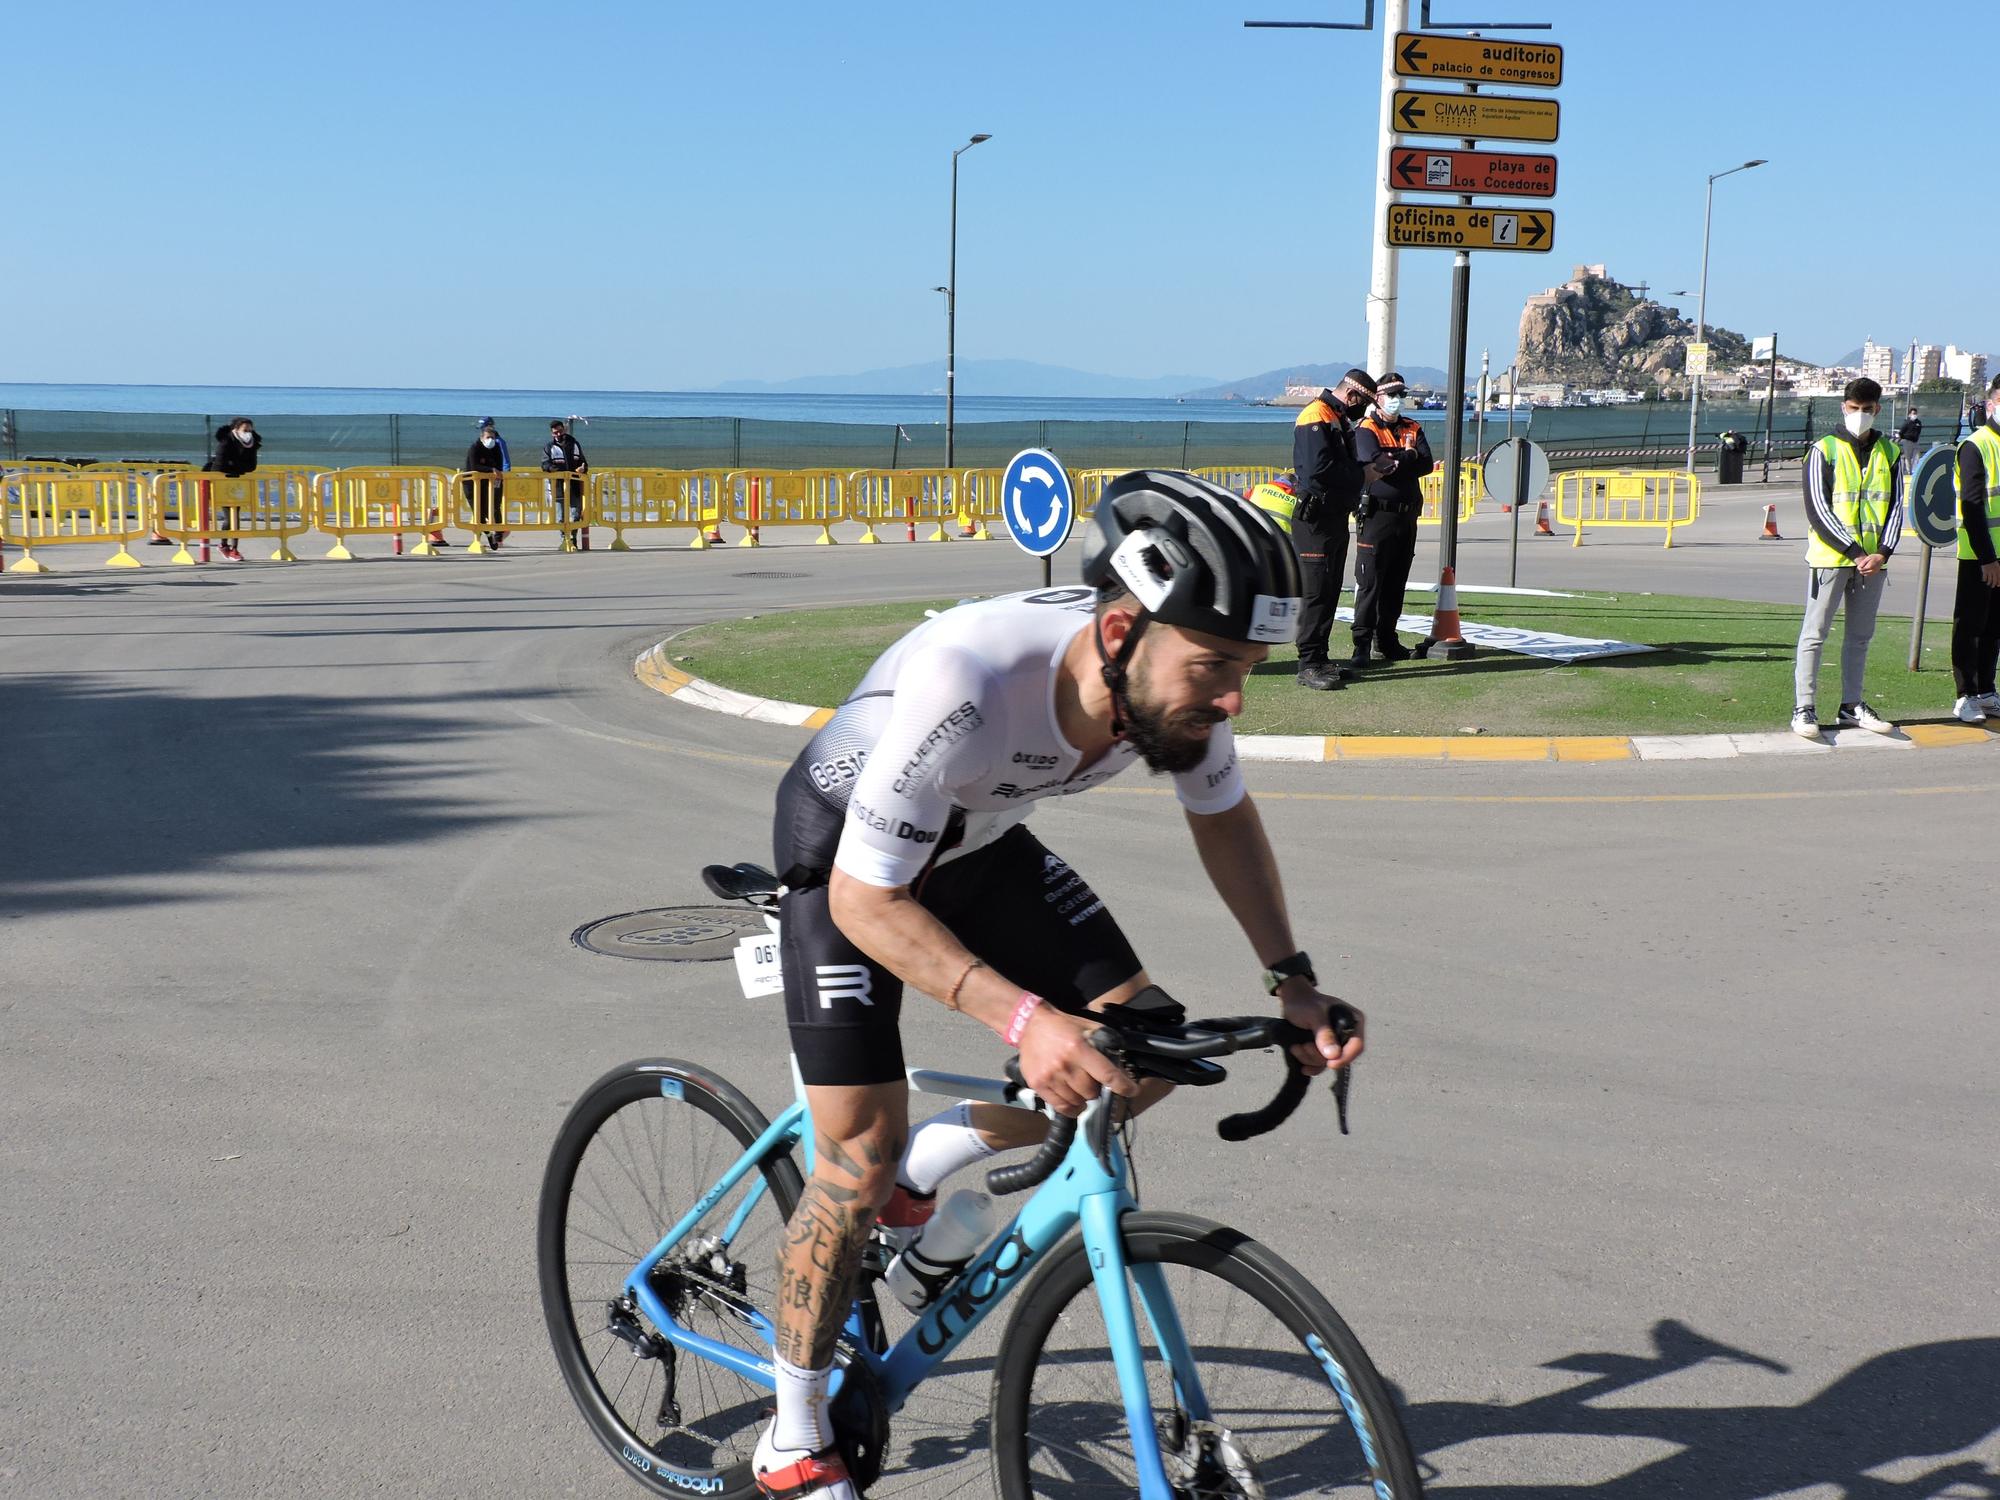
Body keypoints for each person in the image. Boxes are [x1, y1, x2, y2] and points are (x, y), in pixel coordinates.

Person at [752, 470, 1364, 1499]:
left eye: (1246, 670)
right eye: (1213, 666)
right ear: (1120, 632)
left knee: (1147, 1050)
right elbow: (868, 900)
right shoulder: (972, 678)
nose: (1228, 701)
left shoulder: (1172, 700)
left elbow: (1221, 818)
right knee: (852, 1158)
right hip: (849, 867)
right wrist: (1024, 1017)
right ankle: (793, 1432)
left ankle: (935, 1175)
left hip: (980, 845)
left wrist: (1292, 982)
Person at [1791, 376, 1904, 740]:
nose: (1860, 416)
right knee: (1815, 634)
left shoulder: (1891, 452)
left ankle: (1851, 704)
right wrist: (1855, 553)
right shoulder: (1822, 450)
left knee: (1860, 636)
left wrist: (1881, 553)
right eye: (1854, 409)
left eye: (1867, 410)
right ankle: (1804, 708)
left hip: (1873, 563)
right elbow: (1818, 510)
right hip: (1831, 559)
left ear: (1877, 410)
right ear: (1844, 407)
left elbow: (1897, 507)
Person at [1289, 369, 1375, 690]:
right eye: (1363, 404)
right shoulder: (1316, 415)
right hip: (1316, 518)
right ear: (1351, 396)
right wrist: (1362, 475)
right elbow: (1318, 470)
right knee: (1316, 592)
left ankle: (1320, 658)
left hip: (1333, 516)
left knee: (1329, 589)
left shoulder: (1336, 417)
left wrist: (1357, 475)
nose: (1362, 411)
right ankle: (1308, 662)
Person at [1348, 372, 1435, 667]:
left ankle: (1386, 640)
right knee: (1370, 581)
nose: (1397, 401)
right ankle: (1361, 644)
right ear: (1378, 398)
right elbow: (1375, 462)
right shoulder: (1366, 428)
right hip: (1376, 515)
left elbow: (1426, 464)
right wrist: (1405, 457)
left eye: (1401, 395)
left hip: (1406, 516)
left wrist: (1399, 459)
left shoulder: (1413, 426)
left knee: (1396, 583)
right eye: (1392, 395)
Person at [1948, 372, 2000, 723]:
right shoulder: (1976, 445)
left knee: (1995, 627)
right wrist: (1987, 558)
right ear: (1993, 402)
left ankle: (1986, 689)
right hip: (1979, 555)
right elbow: (1972, 504)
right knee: (1970, 626)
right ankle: (1965, 694)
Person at [201, 417, 260, 562]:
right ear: (236, 429)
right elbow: (220, 464)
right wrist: (233, 469)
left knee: (235, 516)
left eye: (250, 430)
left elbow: (252, 466)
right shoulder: (226, 442)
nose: (248, 433)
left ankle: (232, 548)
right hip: (220, 481)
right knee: (229, 517)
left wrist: (237, 469)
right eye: (245, 430)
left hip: (237, 482)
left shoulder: (252, 444)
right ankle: (225, 545)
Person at [542, 419, 588, 548]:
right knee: (560, 516)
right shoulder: (549, 447)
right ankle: (564, 539)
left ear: (564, 430)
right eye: (555, 433)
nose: (558, 434)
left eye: (560, 431)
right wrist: (557, 471)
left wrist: (582, 469)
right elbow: (545, 464)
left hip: (574, 485)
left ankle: (573, 539)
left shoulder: (574, 444)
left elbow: (583, 462)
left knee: (575, 514)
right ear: (552, 434)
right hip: (558, 487)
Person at [463, 422, 507, 550]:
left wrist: (495, 471)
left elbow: (499, 465)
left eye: (492, 438)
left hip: (488, 483)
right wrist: (490, 469)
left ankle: (498, 533)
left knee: (494, 507)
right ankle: (488, 537)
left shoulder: (496, 448)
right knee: (479, 512)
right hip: (472, 484)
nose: (490, 440)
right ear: (482, 438)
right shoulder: (475, 447)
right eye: (488, 437)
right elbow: (474, 466)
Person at [1245, 468, 1301, 535]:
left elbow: (1241, 505)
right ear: (1294, 485)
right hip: (1280, 540)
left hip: (1252, 533)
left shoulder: (1257, 489)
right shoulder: (1295, 501)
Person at [1897, 407, 1924, 472]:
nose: (1914, 415)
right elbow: (1901, 431)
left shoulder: (1918, 422)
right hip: (1907, 441)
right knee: (1907, 457)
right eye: (1913, 413)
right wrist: (1902, 438)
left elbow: (1919, 431)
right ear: (1909, 414)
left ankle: (1915, 471)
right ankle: (1909, 471)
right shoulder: (1907, 422)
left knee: (1916, 457)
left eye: (1915, 413)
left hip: (1915, 442)